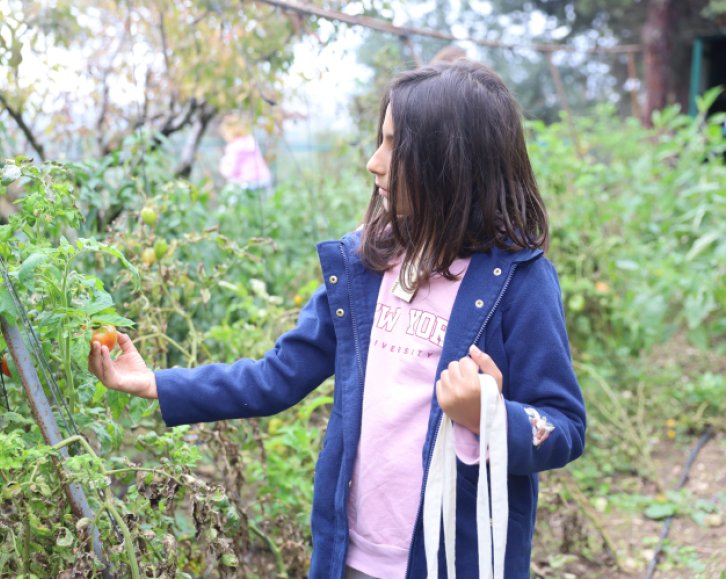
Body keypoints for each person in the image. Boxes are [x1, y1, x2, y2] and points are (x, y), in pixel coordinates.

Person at [88, 59, 587, 579]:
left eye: (395, 145)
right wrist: (154, 383)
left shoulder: (518, 284)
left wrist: (491, 416)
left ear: (450, 163)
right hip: (349, 557)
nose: (374, 162)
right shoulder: (366, 268)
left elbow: (565, 426)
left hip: (454, 561)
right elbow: (276, 376)